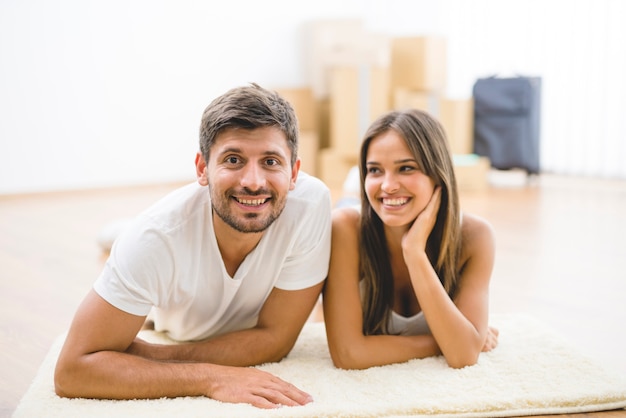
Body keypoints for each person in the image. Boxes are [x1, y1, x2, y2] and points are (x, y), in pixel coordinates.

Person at [54, 83, 332, 409]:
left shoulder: (311, 204)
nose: (254, 181)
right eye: (233, 159)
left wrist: (160, 357)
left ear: (294, 171)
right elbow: (71, 371)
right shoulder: (154, 239)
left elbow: (276, 338)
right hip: (159, 260)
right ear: (202, 169)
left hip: (171, 267)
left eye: (271, 161)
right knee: (133, 239)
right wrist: (210, 377)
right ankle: (117, 234)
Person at [322, 108, 499, 370]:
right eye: (374, 170)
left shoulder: (476, 236)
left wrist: (414, 252)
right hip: (364, 213)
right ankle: (352, 188)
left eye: (406, 168)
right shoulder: (344, 229)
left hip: (395, 211)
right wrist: (447, 340)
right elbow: (349, 354)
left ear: (438, 174)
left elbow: (463, 357)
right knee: (348, 206)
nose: (388, 184)